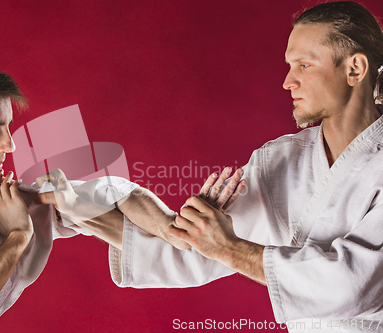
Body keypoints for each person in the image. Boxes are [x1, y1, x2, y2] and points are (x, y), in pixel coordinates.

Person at [40, 1, 383, 332]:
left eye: (304, 65)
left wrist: (227, 246)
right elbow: (193, 252)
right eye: (289, 66)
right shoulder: (281, 161)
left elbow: (350, 286)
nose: (287, 82)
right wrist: (80, 208)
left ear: (355, 68)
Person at [0, 60, 244, 332]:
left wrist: (172, 227)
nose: (9, 144)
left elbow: (112, 194)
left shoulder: (4, 200)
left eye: (8, 127)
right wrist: (17, 237)